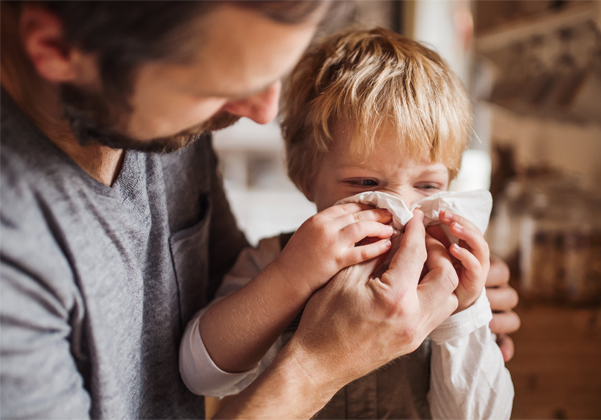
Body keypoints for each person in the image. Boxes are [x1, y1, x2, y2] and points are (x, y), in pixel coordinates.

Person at [0, 2, 520, 419]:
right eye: (218, 85)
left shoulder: (168, 126)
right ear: (57, 49)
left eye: (428, 184)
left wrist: (468, 313)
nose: (263, 113)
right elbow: (202, 366)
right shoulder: (16, 258)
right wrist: (318, 356)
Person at [180, 27, 514, 419]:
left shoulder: (446, 279)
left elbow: (479, 415)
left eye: (427, 185)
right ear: (307, 177)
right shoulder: (274, 260)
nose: (401, 209)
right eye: (366, 184)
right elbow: (200, 376)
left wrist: (466, 313)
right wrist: (291, 277)